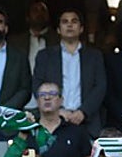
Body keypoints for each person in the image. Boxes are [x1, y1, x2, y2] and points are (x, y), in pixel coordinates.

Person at [32, 8, 107, 137]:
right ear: (58, 29)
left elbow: (101, 86)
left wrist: (83, 112)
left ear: (81, 28)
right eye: (65, 22)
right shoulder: (45, 56)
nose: (70, 25)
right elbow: (37, 85)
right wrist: (58, 110)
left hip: (87, 121)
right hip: (54, 121)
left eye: (74, 21)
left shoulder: (94, 56)